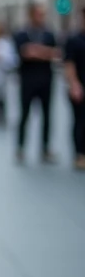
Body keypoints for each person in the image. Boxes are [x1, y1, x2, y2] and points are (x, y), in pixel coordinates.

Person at [14, 3, 59, 164]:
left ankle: (45, 148)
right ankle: (20, 147)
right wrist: (44, 52)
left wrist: (36, 51)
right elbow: (24, 52)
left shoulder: (49, 34)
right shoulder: (22, 33)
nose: (41, 17)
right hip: (28, 81)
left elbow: (56, 53)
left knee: (47, 115)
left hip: (46, 80)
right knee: (24, 114)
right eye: (39, 14)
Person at [62, 9, 85, 170]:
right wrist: (74, 85)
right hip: (80, 86)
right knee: (80, 121)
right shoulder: (74, 40)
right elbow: (68, 64)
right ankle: (79, 154)